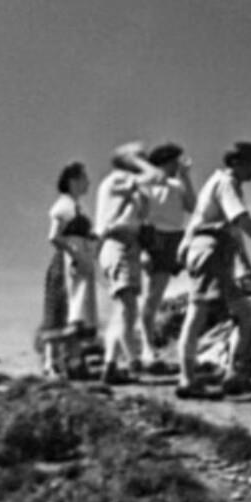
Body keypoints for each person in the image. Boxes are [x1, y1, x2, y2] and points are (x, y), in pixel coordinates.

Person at [176, 139, 251, 399]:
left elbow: (234, 231)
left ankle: (233, 373)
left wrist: (248, 267)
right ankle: (187, 379)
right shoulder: (226, 183)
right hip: (208, 251)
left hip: (215, 252)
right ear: (238, 163)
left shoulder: (228, 185)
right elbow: (243, 221)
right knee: (197, 311)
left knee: (247, 313)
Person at [89, 143, 155, 383]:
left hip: (126, 246)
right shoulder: (118, 179)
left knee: (125, 308)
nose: (146, 160)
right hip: (118, 244)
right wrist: (138, 162)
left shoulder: (125, 185)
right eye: (140, 157)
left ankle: (119, 363)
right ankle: (119, 363)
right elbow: (153, 176)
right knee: (126, 307)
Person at [138, 142, 194, 375]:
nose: (176, 165)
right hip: (155, 238)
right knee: (153, 295)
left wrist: (186, 178)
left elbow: (193, 207)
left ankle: (184, 344)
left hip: (177, 238)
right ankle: (147, 347)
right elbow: (139, 218)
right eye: (173, 161)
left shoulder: (177, 184)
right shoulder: (144, 185)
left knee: (199, 286)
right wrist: (142, 250)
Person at [37, 163, 98, 377]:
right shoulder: (63, 205)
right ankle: (51, 362)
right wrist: (74, 254)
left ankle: (74, 361)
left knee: (78, 311)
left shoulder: (77, 205)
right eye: (83, 178)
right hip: (67, 263)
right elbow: (54, 236)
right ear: (73, 180)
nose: (87, 183)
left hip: (80, 261)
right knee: (61, 309)